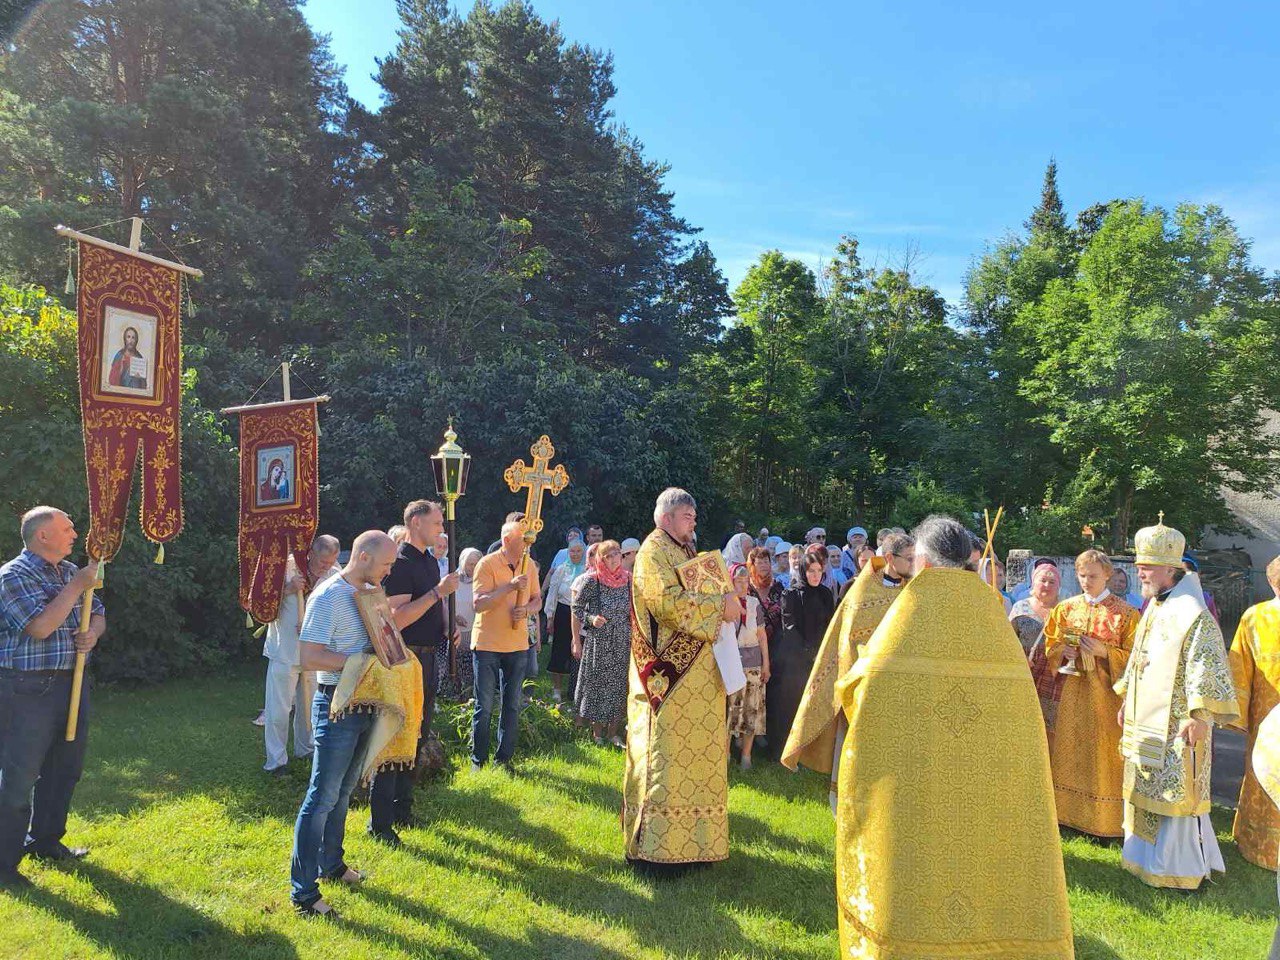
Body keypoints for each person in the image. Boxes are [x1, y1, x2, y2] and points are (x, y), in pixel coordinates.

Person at [832, 515, 1072, 957]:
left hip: (916, 771)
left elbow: (863, 686)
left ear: (922, 561)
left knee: (914, 862)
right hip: (985, 778)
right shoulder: (990, 610)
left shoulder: (913, 607)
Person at [1115, 516, 1239, 890]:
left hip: (1178, 723)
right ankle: (1141, 859)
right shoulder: (1155, 606)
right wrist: (1127, 699)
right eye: (1139, 565)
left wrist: (1200, 715)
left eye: (1147, 566)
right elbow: (1139, 658)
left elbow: (1206, 664)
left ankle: (1177, 869)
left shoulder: (1193, 613)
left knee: (1175, 792)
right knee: (1145, 786)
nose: (1140, 573)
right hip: (1147, 719)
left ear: (1170, 569)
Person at [624, 488, 739, 872]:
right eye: (688, 516)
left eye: (693, 516)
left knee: (700, 763)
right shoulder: (652, 552)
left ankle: (698, 846)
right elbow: (667, 604)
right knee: (667, 762)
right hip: (666, 680)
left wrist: (728, 595)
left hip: (699, 680)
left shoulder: (686, 551)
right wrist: (720, 607)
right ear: (666, 517)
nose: (694, 522)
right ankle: (658, 854)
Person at [290, 530, 397, 917]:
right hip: (336, 705)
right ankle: (304, 894)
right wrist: (362, 664)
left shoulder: (370, 592)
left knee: (343, 791)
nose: (388, 571)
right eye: (385, 564)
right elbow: (308, 656)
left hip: (365, 702)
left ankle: (331, 863)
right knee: (321, 798)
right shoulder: (329, 596)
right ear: (364, 557)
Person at [0, 507, 105, 890]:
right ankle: (3, 865)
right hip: (26, 689)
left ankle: (45, 840)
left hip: (70, 684)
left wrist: (92, 633)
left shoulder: (68, 571)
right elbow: (40, 627)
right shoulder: (13, 576)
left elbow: (99, 613)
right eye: (67, 528)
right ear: (42, 535)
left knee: (64, 769)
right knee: (19, 777)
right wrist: (76, 586)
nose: (75, 534)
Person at [782, 538, 909, 806]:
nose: (912, 564)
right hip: (863, 684)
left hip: (900, 685)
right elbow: (847, 638)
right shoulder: (863, 591)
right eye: (908, 558)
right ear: (890, 558)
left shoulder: (912, 592)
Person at [367, 500, 459, 845]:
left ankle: (402, 809)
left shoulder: (429, 561)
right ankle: (380, 821)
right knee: (394, 737)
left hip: (429, 658)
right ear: (416, 523)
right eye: (436, 522)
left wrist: (447, 625)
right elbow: (396, 619)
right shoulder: (401, 563)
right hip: (403, 660)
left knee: (417, 735)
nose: (441, 529)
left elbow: (433, 606)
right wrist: (437, 593)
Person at [1034, 550, 1140, 838]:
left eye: (1092, 576)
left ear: (1107, 575)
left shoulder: (1126, 614)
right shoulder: (1066, 609)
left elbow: (1137, 657)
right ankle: (1066, 815)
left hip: (1107, 697)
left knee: (1104, 753)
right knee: (1069, 747)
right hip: (1072, 693)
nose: (1086, 581)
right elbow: (1051, 645)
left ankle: (1105, 822)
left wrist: (1106, 652)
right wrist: (1062, 652)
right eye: (1082, 575)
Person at [262, 534, 341, 776]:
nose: (326, 567)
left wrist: (314, 627)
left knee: (309, 708)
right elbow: (262, 605)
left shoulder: (335, 574)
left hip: (314, 653)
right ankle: (276, 761)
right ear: (311, 553)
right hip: (284, 649)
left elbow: (338, 610)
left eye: (331, 562)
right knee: (278, 710)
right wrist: (288, 589)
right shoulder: (287, 567)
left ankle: (305, 749)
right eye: (322, 562)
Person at [470, 521, 542, 771]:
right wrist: (510, 587)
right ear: (507, 540)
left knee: (512, 704)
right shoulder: (487, 564)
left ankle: (504, 760)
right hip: (487, 644)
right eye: (524, 539)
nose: (528, 544)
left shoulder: (529, 564)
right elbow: (479, 604)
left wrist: (527, 610)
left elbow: (537, 600)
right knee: (485, 706)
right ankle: (478, 760)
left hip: (517, 644)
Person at [1228, 555, 1280, 870]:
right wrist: (1239, 714)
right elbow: (1240, 665)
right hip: (1266, 711)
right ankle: (1260, 842)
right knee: (1263, 769)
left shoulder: (1254, 615)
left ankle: (1261, 844)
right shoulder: (1254, 617)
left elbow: (1238, 667)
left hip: (1265, 708)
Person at [769, 547, 835, 761]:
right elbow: (789, 627)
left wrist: (820, 652)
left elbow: (830, 625)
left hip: (818, 657)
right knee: (791, 703)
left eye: (819, 571)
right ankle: (784, 750)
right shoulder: (791, 594)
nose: (815, 575)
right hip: (794, 660)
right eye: (811, 571)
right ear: (803, 571)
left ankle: (810, 751)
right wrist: (808, 652)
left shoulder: (825, 594)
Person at [571, 540, 632, 746]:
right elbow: (577, 607)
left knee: (619, 684)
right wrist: (591, 619)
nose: (614, 559)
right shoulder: (592, 580)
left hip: (622, 639)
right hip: (600, 640)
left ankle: (613, 733)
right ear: (601, 559)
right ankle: (597, 733)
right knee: (598, 684)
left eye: (617, 554)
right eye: (609, 556)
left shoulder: (628, 579)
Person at [723, 563, 768, 769]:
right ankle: (725, 755)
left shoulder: (754, 604)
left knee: (752, 708)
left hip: (753, 663)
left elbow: (761, 635)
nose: (742, 585)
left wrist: (766, 664)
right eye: (738, 581)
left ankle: (746, 756)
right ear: (731, 582)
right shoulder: (725, 603)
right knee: (730, 710)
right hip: (732, 663)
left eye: (745, 581)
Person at [541, 538, 586, 703]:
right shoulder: (561, 569)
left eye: (578, 551)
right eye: (572, 551)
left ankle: (575, 690)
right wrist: (550, 616)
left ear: (583, 552)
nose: (575, 554)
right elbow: (553, 593)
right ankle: (557, 690)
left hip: (581, 614)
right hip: (562, 612)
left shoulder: (587, 570)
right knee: (559, 651)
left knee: (578, 650)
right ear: (568, 552)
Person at [437, 547, 482, 702]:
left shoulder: (483, 581)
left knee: (470, 667)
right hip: (454, 630)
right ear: (462, 563)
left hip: (474, 629)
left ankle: (468, 696)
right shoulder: (453, 580)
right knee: (453, 665)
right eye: (470, 564)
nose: (473, 568)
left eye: (476, 564)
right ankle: (450, 696)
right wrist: (454, 617)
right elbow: (443, 602)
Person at [1009, 559, 1060, 655]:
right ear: (1033, 583)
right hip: (1025, 663)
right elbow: (1009, 640)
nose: (1047, 585)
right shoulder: (1020, 607)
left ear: (1058, 586)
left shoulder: (1065, 610)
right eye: (1043, 580)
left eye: (1052, 582)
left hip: (1056, 663)